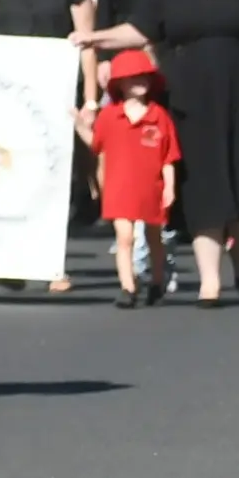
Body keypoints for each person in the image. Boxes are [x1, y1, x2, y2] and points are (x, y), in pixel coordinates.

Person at [77, 0, 239, 306]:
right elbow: (139, 29)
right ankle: (210, 282)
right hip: (190, 100)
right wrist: (95, 40)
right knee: (205, 189)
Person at [81, 52, 178, 308]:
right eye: (132, 78)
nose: (139, 82)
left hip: (151, 187)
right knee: (125, 237)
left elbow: (169, 156)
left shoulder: (159, 117)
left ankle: (157, 281)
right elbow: (96, 145)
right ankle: (128, 287)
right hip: (119, 186)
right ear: (120, 84)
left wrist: (169, 186)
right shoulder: (109, 116)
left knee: (154, 236)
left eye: (144, 77)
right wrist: (79, 126)